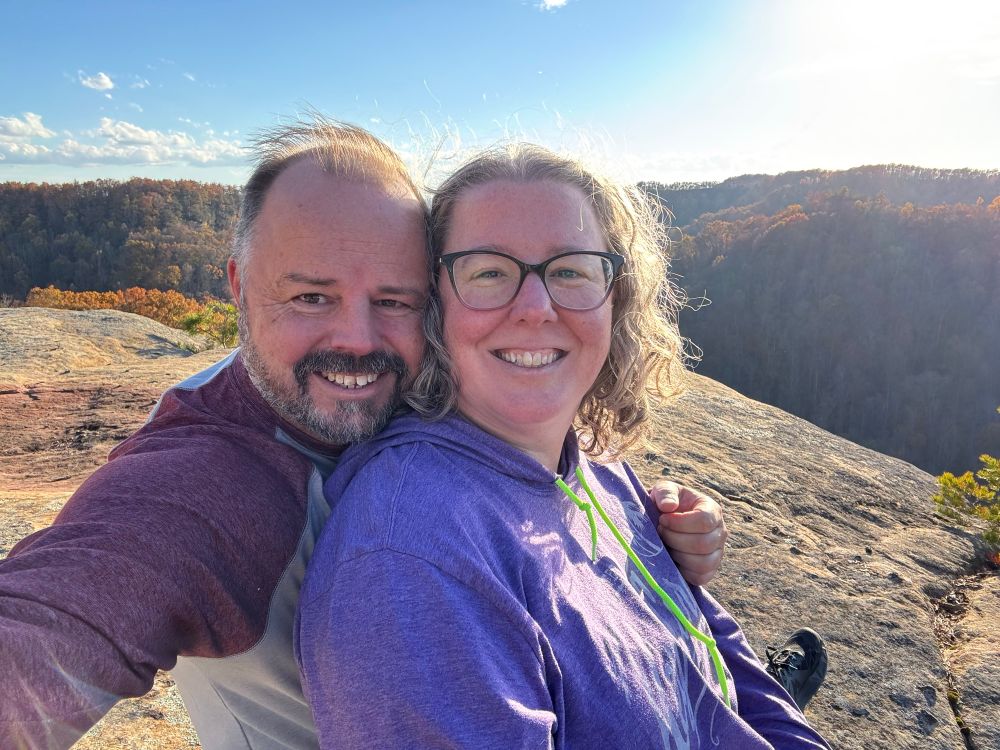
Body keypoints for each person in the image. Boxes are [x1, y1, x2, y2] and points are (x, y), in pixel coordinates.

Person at [0, 119, 728, 749]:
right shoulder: (202, 486)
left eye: (395, 300)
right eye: (310, 296)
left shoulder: (433, 390)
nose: (357, 339)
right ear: (238, 286)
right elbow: (46, 630)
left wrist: (647, 545)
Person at [296, 144, 831, 747]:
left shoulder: (599, 468)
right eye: (488, 271)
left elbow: (709, 646)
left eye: (570, 269)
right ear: (433, 306)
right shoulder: (411, 558)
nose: (534, 308)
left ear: (615, 298)